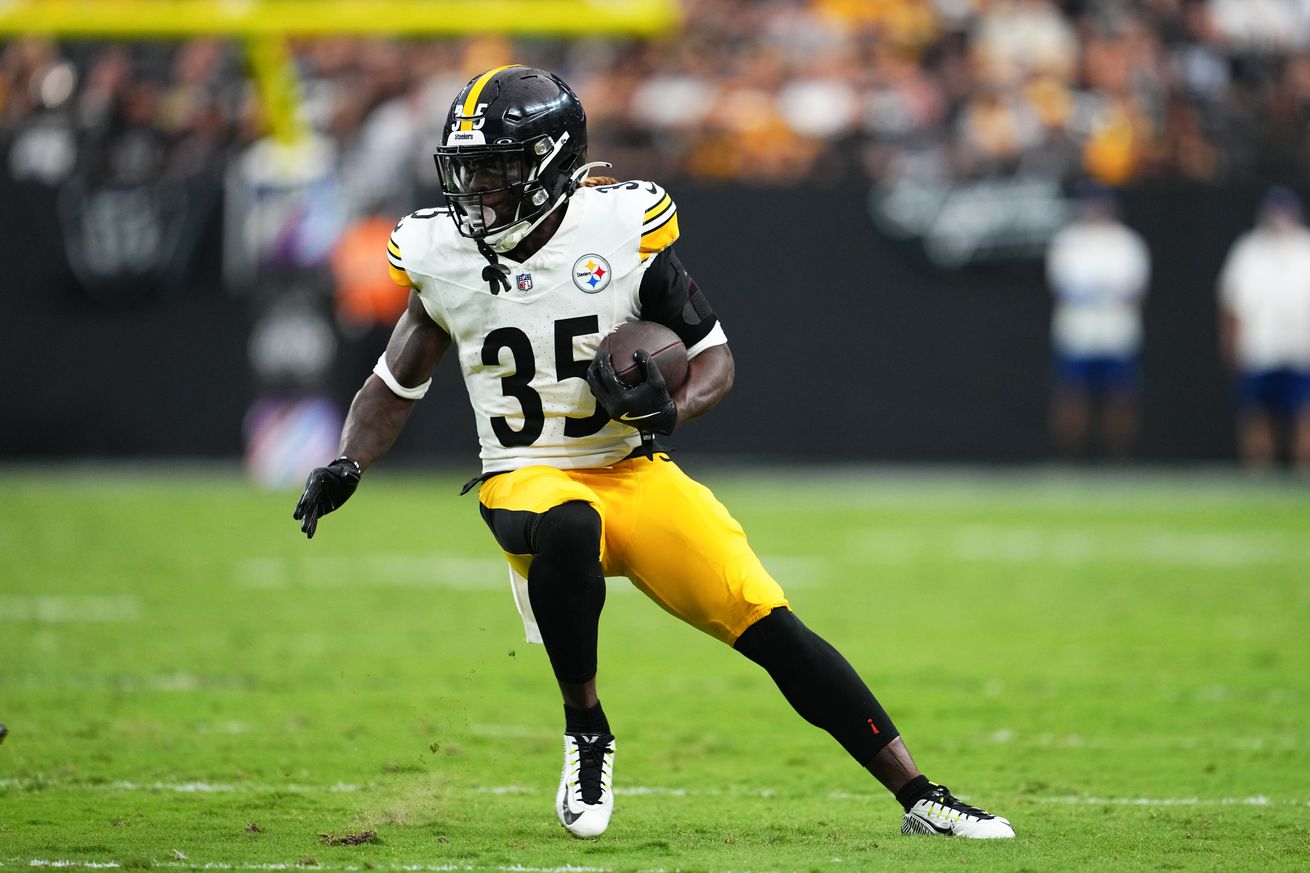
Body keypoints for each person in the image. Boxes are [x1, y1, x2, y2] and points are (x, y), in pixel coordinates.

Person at [292, 66, 1014, 840]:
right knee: (568, 522)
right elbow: (393, 380)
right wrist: (348, 461)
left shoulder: (620, 230)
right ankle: (588, 730)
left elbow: (716, 358)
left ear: (548, 164)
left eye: (497, 168)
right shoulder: (443, 254)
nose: (479, 189)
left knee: (772, 624)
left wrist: (673, 407)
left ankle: (921, 796)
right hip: (524, 475)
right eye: (468, 169)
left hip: (633, 472)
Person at [1045, 183, 1151, 460]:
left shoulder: (1128, 244)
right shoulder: (1068, 241)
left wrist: (1103, 294)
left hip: (1117, 335)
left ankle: (1118, 457)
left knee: (1121, 398)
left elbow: (1137, 292)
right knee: (1071, 397)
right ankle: (1070, 458)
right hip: (1077, 335)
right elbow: (1060, 288)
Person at [1217, 186, 1310, 470]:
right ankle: (1259, 476)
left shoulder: (1306, 248)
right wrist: (1231, 345)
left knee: (1303, 414)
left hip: (1300, 348)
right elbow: (1232, 303)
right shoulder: (1249, 250)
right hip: (1260, 347)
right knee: (1255, 415)